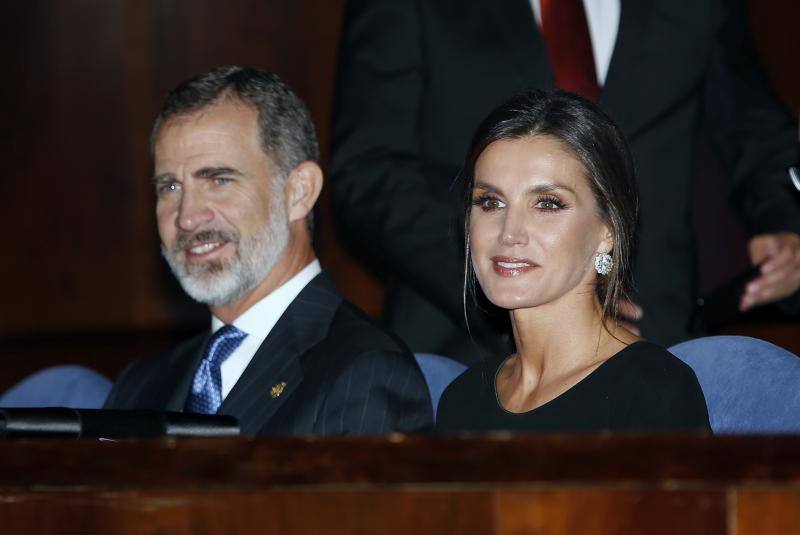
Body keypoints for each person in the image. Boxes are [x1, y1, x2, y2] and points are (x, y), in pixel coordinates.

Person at [330, 0, 800, 364]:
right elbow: (367, 170)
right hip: (465, 345)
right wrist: (511, 282)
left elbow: (752, 122)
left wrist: (783, 220)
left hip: (655, 335)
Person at [104, 66, 433, 436]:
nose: (187, 217)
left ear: (298, 192)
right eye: (170, 187)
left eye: (219, 180)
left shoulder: (363, 373)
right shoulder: (139, 387)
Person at [436, 90, 711, 432]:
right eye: (491, 202)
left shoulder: (652, 390)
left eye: (548, 204)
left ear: (607, 230)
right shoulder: (461, 400)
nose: (509, 233)